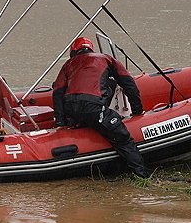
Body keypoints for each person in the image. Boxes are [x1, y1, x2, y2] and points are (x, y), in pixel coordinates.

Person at [52, 37, 148, 177]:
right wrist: (137, 111)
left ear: (73, 51)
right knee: (122, 138)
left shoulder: (68, 64)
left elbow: (58, 92)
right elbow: (129, 84)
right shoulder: (106, 59)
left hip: (71, 108)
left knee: (108, 87)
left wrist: (60, 122)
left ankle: (79, 123)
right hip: (93, 107)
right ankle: (142, 175)